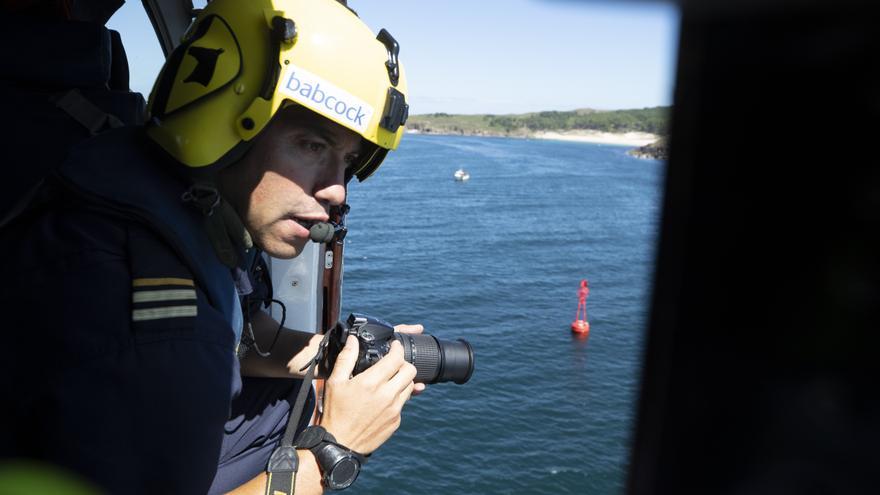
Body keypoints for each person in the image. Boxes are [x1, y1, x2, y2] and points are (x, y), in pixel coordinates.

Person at [0, 0, 417, 493]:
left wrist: (327, 352)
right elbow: (185, 350)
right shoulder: (167, 345)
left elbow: (236, 324)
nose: (337, 191)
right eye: (312, 145)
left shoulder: (176, 197)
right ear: (227, 118)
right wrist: (337, 448)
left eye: (348, 161)